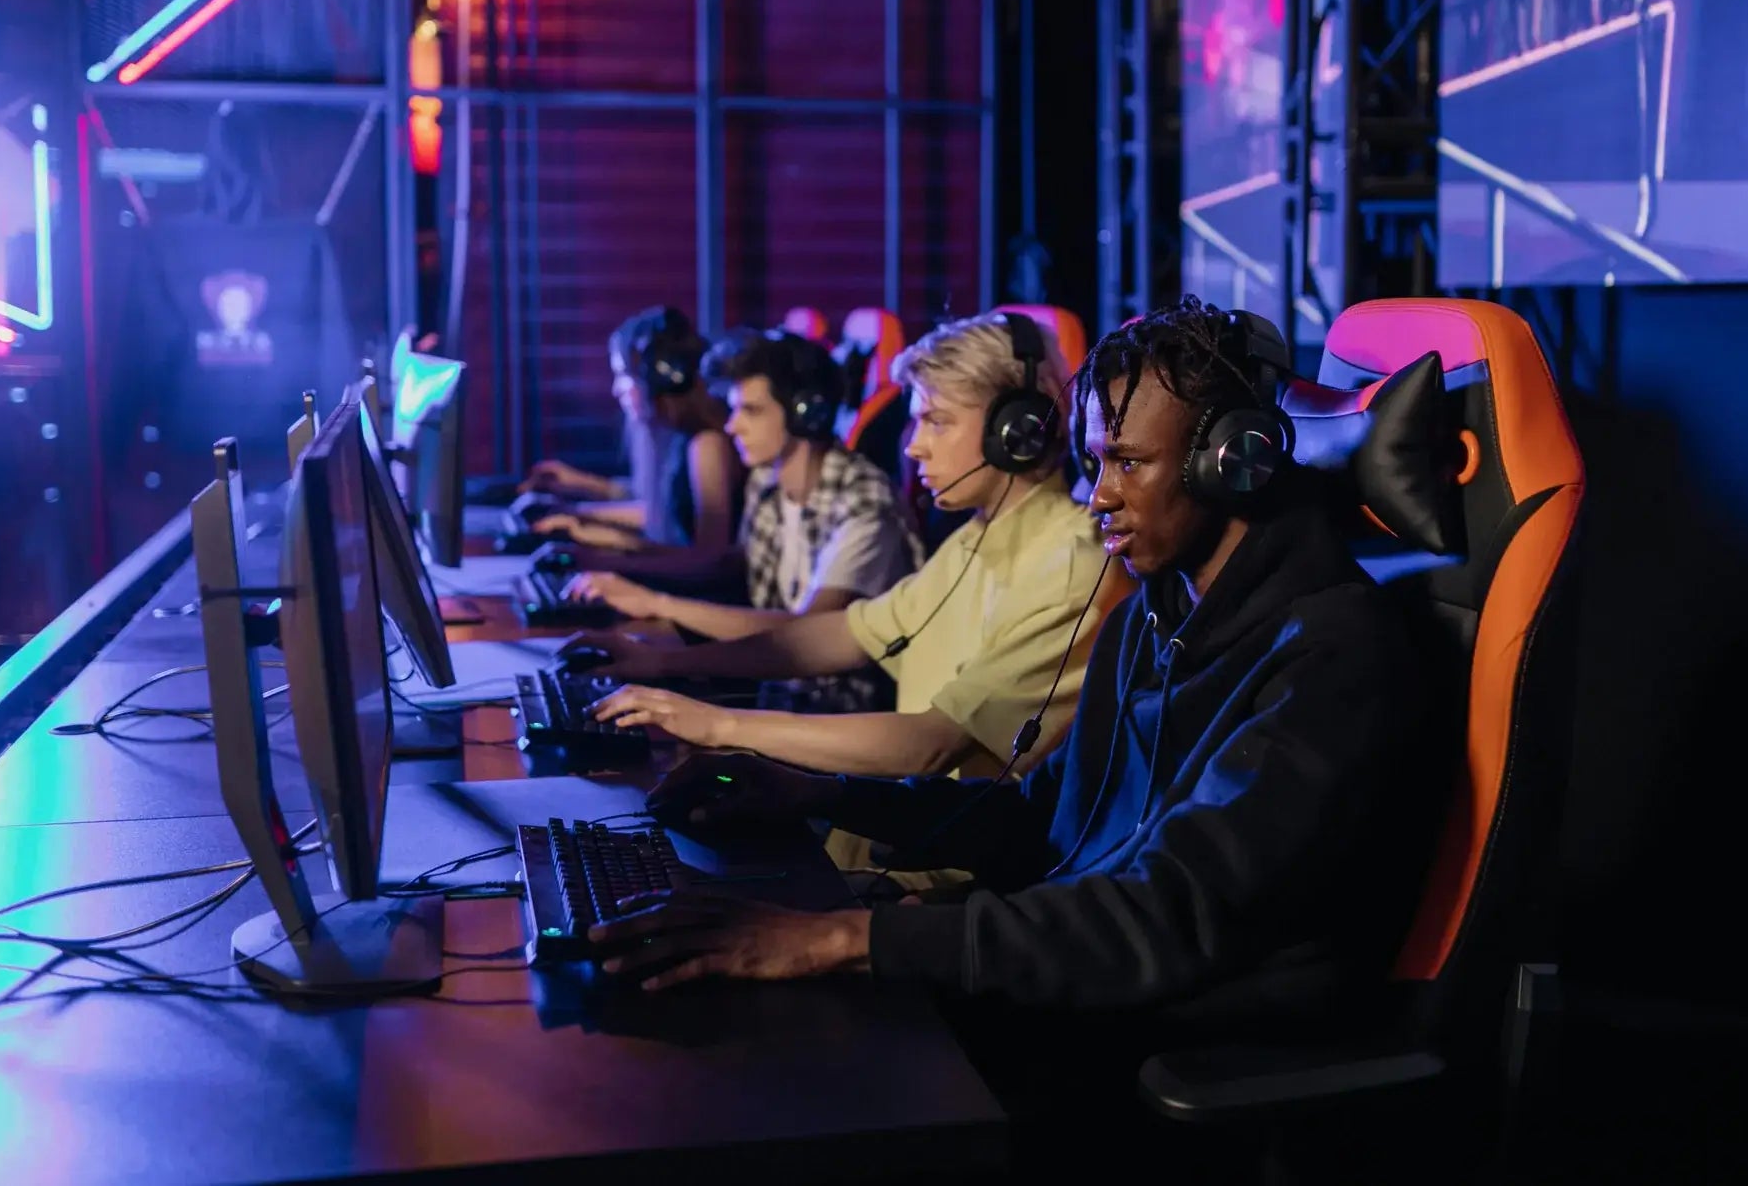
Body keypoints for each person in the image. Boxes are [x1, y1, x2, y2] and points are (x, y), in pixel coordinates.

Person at [585, 299, 1445, 1115]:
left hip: (1179, 1039)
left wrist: (849, 938)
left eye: (1128, 463)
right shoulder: (1159, 616)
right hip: (1088, 980)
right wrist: (821, 792)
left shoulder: (1332, 657)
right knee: (701, 1021)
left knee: (765, 1073)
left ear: (1235, 462)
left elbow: (1170, 914)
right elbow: (1041, 813)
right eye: (1097, 458)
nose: (1097, 492)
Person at [580, 310, 1116, 782]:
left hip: (937, 882)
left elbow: (933, 744)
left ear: (1018, 432)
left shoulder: (1068, 567)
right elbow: (843, 634)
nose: (913, 445)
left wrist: (720, 724)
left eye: (936, 420)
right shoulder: (975, 541)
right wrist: (663, 667)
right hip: (888, 840)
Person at [563, 328, 922, 715]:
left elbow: (807, 631)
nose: (732, 426)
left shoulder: (864, 503)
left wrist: (659, 607)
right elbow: (732, 565)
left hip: (841, 724)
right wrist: (626, 574)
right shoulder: (768, 480)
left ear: (807, 413)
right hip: (775, 701)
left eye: (751, 411)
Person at [523, 306, 743, 568]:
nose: (617, 390)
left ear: (661, 378)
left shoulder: (708, 445)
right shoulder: (675, 437)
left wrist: (621, 546)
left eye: (624, 376)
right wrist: (578, 510)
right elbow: (661, 511)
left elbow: (709, 562)